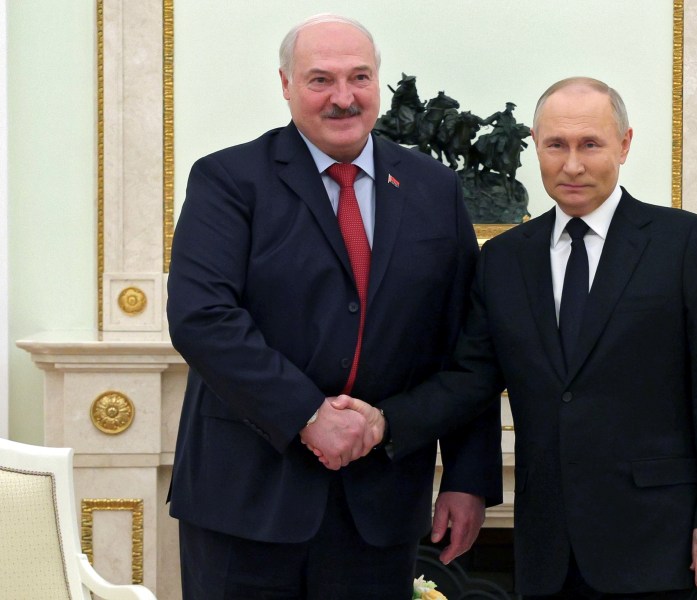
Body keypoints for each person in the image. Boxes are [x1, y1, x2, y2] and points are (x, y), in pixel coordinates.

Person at [319, 77, 697, 599]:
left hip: (657, 542)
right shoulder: (505, 259)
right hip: (548, 547)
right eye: (556, 145)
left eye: (590, 144)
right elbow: (470, 378)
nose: (572, 164)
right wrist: (386, 420)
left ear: (625, 144)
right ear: (534, 145)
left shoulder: (686, 243)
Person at [166, 13, 501, 599]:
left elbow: (463, 342)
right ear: (285, 84)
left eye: (359, 78)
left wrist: (467, 479)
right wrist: (308, 415)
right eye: (321, 79)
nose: (343, 98)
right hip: (244, 501)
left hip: (380, 506)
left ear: (379, 82)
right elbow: (203, 318)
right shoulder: (227, 179)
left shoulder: (434, 187)